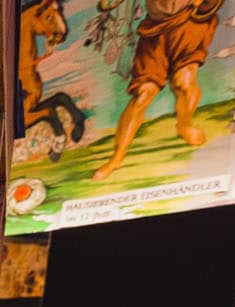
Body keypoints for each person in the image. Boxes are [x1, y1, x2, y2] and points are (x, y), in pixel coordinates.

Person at [91, 0, 221, 181]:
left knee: (183, 81)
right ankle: (117, 158)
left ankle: (184, 125)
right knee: (143, 94)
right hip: (155, 29)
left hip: (189, 22)